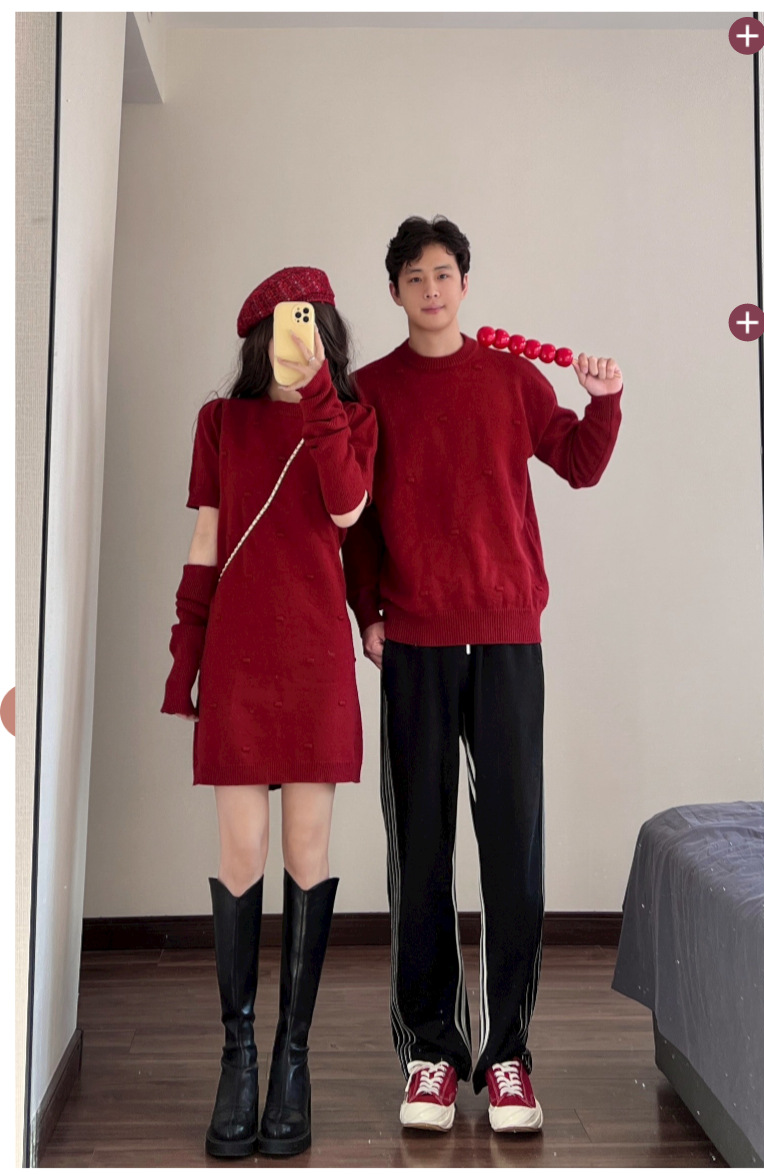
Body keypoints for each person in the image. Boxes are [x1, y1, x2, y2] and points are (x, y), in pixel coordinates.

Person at [342, 216, 623, 1134]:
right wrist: (367, 611)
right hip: (416, 642)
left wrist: (604, 401)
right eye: (414, 277)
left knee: (512, 847)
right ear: (394, 291)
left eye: (444, 274)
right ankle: (431, 1053)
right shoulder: (371, 390)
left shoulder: (512, 378)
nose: (431, 290)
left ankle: (507, 1058)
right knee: (420, 848)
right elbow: (355, 518)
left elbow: (578, 464)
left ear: (465, 284)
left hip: (506, 636)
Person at [161, 267, 377, 1159]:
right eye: (292, 326)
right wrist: (184, 660)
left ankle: (293, 1060)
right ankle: (238, 1060)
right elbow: (206, 544)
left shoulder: (351, 417)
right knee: (240, 855)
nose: (303, 338)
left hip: (315, 655)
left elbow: (348, 508)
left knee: (307, 855)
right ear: (262, 336)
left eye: (316, 325)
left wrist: (318, 394)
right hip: (240, 656)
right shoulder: (220, 421)